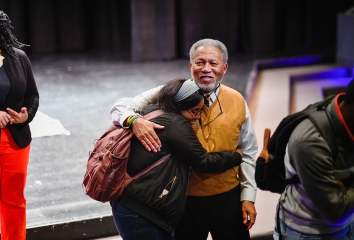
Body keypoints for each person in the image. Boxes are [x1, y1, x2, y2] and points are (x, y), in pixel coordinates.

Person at [111, 38, 258, 239]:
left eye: (213, 63)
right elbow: (120, 106)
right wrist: (134, 120)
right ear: (190, 66)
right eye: (200, 62)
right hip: (184, 202)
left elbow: (248, 151)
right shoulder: (172, 93)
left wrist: (248, 197)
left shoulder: (237, 100)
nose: (206, 68)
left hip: (228, 198)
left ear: (224, 68)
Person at [272, 79, 354, 240]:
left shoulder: (347, 119)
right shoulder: (310, 141)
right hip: (309, 233)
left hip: (347, 224)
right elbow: (336, 211)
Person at [0, 8, 39, 240]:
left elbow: (32, 95)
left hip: (16, 139)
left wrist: (26, 116)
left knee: (14, 200)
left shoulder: (18, 58)